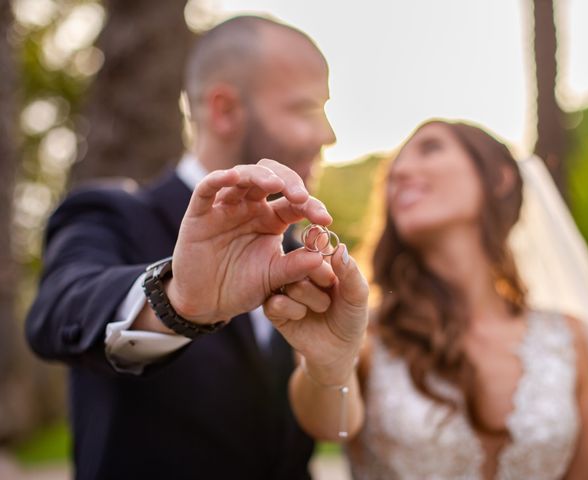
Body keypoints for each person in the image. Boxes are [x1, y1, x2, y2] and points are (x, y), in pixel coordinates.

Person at [26, 15, 368, 480]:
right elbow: (55, 313)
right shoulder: (112, 213)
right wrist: (178, 299)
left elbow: (337, 434)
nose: (328, 134)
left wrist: (333, 367)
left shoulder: (303, 255)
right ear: (224, 109)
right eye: (305, 108)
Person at [268, 119, 588, 479]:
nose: (399, 172)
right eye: (395, 166)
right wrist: (330, 364)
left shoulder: (569, 339)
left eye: (431, 148)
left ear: (499, 178)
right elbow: (330, 427)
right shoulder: (364, 333)